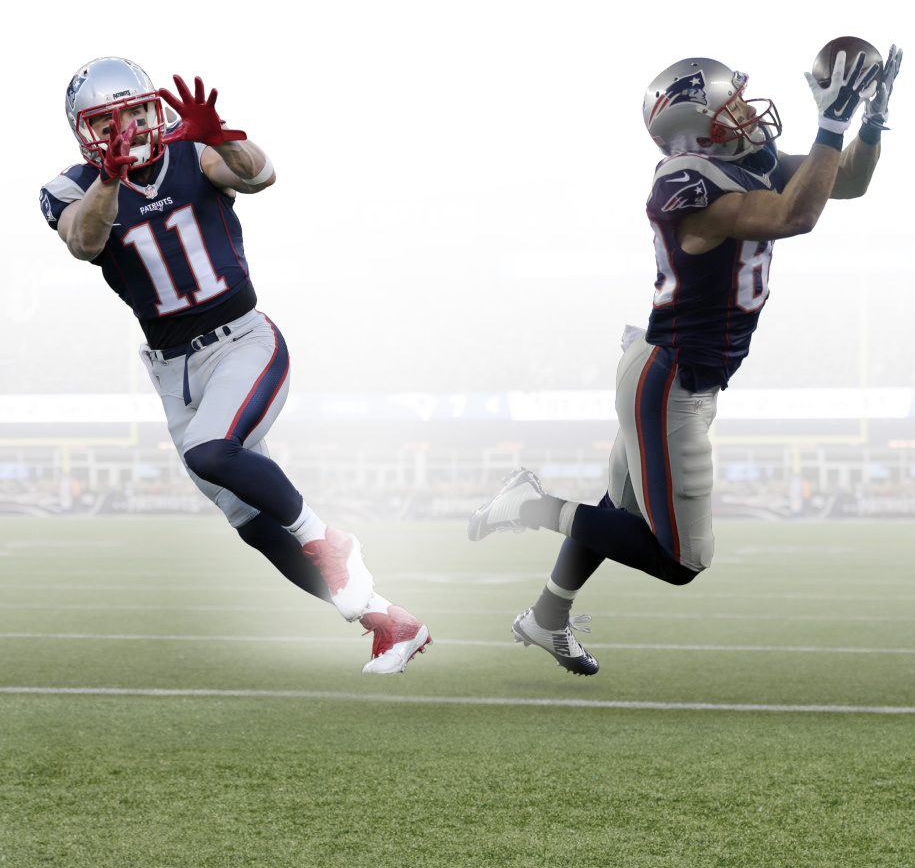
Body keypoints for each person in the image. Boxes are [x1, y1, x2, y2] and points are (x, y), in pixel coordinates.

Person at [467, 45, 903, 675]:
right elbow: (795, 215)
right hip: (671, 378)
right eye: (735, 104)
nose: (751, 112)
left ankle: (546, 618)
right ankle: (531, 504)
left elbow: (848, 183)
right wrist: (831, 121)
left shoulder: (746, 161)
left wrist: (868, 120)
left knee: (617, 509)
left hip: (669, 366)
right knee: (679, 560)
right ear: (697, 124)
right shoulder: (687, 184)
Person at [40, 57, 432, 674]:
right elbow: (84, 241)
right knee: (249, 521)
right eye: (106, 123)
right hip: (172, 369)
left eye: (134, 112)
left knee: (211, 451)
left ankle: (327, 541)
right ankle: (390, 622)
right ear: (84, 132)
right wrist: (110, 181)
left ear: (151, 108)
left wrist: (220, 134)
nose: (125, 129)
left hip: (242, 341)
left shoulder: (194, 151)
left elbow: (260, 174)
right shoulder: (73, 187)